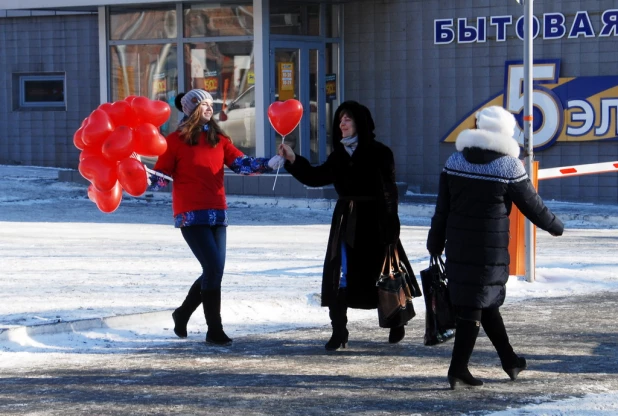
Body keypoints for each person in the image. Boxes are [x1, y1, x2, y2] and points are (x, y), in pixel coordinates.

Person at [426, 106, 564, 389]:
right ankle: (458, 368)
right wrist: (555, 226)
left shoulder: (455, 161)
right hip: (489, 249)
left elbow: (442, 208)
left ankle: (509, 360)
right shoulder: (508, 166)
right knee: (475, 306)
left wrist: (435, 240)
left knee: (484, 304)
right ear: (504, 132)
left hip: (458, 246)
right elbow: (532, 206)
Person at [278, 100, 421, 351]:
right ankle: (339, 330)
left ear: (360, 123)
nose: (342, 123)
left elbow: (389, 191)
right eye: (340, 120)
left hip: (376, 221)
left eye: (348, 119)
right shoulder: (338, 156)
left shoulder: (380, 152)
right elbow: (315, 177)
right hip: (347, 222)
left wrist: (391, 223)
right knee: (340, 276)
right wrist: (292, 159)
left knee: (385, 272)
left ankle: (396, 321)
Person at [150, 88, 284, 346]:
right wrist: (141, 176)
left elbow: (241, 164)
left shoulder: (218, 138)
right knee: (212, 269)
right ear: (190, 109)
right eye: (203, 104)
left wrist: (270, 163)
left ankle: (182, 313)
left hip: (217, 213)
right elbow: (161, 178)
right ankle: (214, 330)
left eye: (211, 104)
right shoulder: (175, 140)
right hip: (190, 214)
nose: (209, 108)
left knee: (215, 271)